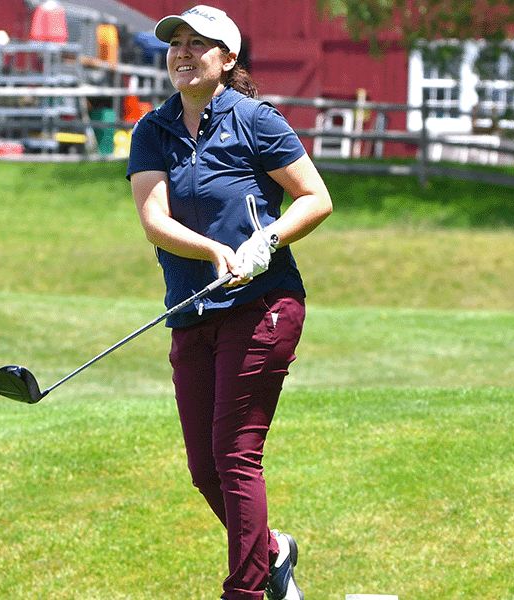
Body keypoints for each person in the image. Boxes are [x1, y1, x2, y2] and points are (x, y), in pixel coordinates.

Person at [126, 6, 333, 600]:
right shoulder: (152, 130)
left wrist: (267, 239)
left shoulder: (255, 121)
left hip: (263, 305)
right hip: (191, 310)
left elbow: (314, 198)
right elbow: (154, 220)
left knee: (235, 453)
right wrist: (214, 250)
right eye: (176, 45)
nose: (183, 53)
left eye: (199, 44)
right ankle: (273, 552)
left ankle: (246, 590)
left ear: (228, 59)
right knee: (204, 469)